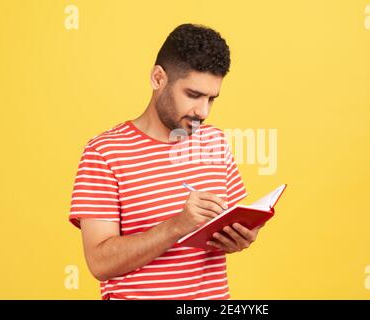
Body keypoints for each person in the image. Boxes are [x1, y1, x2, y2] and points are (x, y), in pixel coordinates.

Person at [69, 23, 264, 300]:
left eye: (212, 99)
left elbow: (234, 224)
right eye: (193, 95)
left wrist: (241, 237)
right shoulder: (104, 152)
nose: (203, 111)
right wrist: (177, 225)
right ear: (158, 78)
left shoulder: (215, 142)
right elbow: (99, 263)